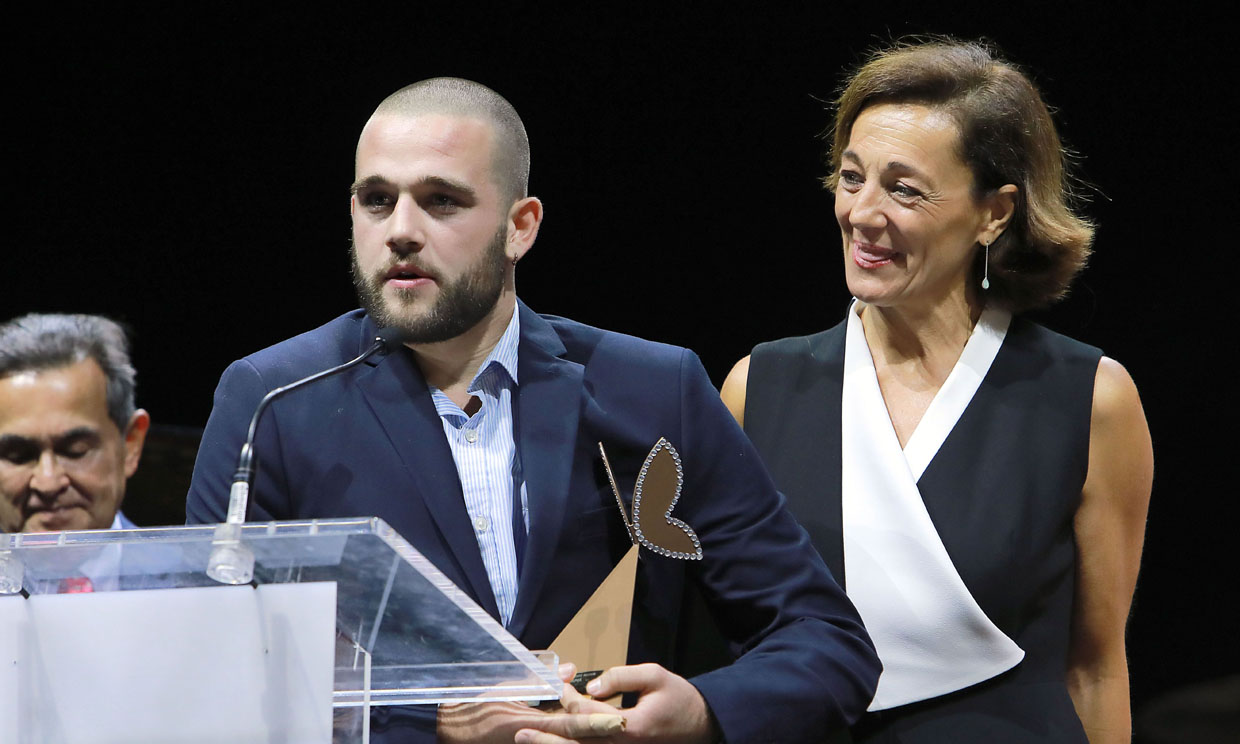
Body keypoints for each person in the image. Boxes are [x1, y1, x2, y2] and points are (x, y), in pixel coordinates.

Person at [186, 78, 880, 744]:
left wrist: (703, 710)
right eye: (377, 199)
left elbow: (825, 641)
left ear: (521, 226)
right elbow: (211, 673)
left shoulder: (652, 388)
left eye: (441, 200)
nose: (400, 230)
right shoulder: (273, 400)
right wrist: (430, 726)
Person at [721, 39, 1152, 743]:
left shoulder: (1089, 399)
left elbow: (1097, 668)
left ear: (995, 213)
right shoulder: (757, 388)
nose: (862, 213)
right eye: (852, 177)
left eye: (904, 189)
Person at [0, 313, 149, 534]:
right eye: (18, 456)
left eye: (75, 452)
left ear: (130, 444)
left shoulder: (191, 570)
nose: (47, 482)